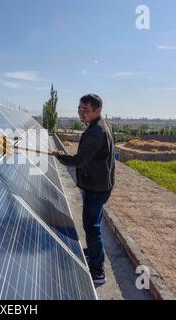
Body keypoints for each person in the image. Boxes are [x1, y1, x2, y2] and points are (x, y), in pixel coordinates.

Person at [55, 94, 115, 284]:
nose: (81, 113)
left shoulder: (96, 132)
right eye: (79, 108)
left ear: (98, 111)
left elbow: (80, 161)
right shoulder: (101, 125)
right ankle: (93, 251)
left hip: (96, 188)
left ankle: (98, 272)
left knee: (92, 227)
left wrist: (60, 156)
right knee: (93, 223)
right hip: (100, 184)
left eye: (86, 110)